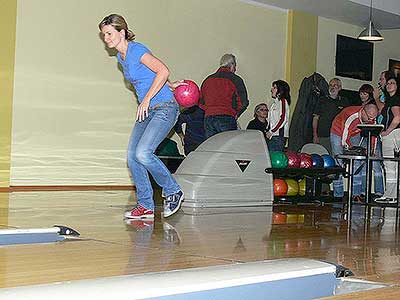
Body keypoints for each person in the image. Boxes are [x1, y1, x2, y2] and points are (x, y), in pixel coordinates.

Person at [98, 14, 184, 219]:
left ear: (122, 32)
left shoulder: (137, 50)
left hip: (164, 108)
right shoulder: (121, 57)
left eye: (109, 33)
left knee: (144, 153)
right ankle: (146, 206)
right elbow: (153, 75)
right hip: (147, 111)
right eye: (103, 35)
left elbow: (163, 69)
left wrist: (146, 99)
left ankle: (173, 191)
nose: (106, 38)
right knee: (132, 157)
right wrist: (170, 85)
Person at [330, 104, 379, 201]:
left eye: (373, 118)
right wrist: (348, 150)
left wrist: (372, 149)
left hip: (354, 132)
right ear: (363, 112)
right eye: (369, 118)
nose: (371, 121)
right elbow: (344, 137)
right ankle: (338, 195)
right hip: (338, 131)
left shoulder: (371, 118)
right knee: (338, 161)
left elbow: (374, 134)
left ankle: (355, 194)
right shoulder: (350, 115)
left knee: (357, 160)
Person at [200, 54, 249, 138]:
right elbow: (243, 102)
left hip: (208, 119)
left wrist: (210, 110)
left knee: (212, 147)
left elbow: (201, 102)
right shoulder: (235, 79)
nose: (235, 69)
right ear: (232, 64)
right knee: (227, 147)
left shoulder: (207, 80)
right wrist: (236, 113)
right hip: (227, 117)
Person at [355, 83, 384, 199]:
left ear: (370, 94)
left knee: (376, 165)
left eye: (365, 93)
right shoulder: (359, 107)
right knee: (363, 164)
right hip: (363, 137)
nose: (362, 95)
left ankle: (379, 192)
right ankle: (363, 191)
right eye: (361, 93)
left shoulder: (372, 106)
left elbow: (374, 123)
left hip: (374, 138)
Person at [375, 75, 400, 203]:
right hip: (394, 133)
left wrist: (387, 132)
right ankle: (392, 194)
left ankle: (391, 195)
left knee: (390, 165)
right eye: (388, 83)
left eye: (392, 83)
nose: (389, 84)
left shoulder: (395, 99)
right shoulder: (390, 100)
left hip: (393, 134)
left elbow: (397, 118)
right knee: (392, 166)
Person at [313, 78, 350, 154]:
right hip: (323, 136)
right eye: (330, 85)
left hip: (338, 136)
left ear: (340, 88)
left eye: (335, 85)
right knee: (323, 157)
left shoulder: (344, 101)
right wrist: (315, 135)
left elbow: (347, 120)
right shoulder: (322, 100)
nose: (332, 87)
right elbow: (316, 118)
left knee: (337, 157)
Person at [266, 80, 291, 152]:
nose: (272, 90)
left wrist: (271, 131)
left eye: (274, 88)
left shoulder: (283, 101)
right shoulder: (274, 104)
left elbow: (283, 119)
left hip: (278, 136)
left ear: (280, 91)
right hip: (273, 136)